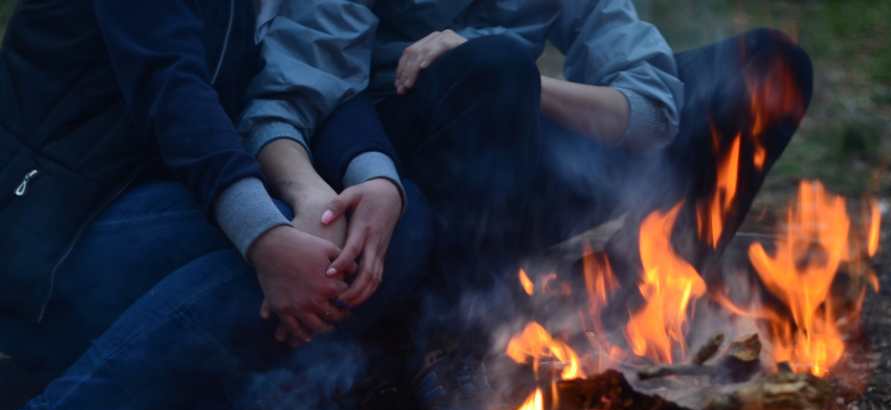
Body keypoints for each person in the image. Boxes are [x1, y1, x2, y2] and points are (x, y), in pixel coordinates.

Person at [0, 1, 434, 410]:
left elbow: (303, 81)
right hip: (53, 223)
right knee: (281, 247)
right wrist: (266, 237)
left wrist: (372, 177)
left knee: (389, 228)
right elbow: (169, 86)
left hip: (170, 199)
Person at [244, 0, 813, 296]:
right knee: (494, 66)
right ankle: (454, 342)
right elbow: (280, 106)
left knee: (768, 68)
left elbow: (654, 110)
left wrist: (532, 87)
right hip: (408, 191)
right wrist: (306, 198)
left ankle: (630, 300)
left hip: (515, 167)